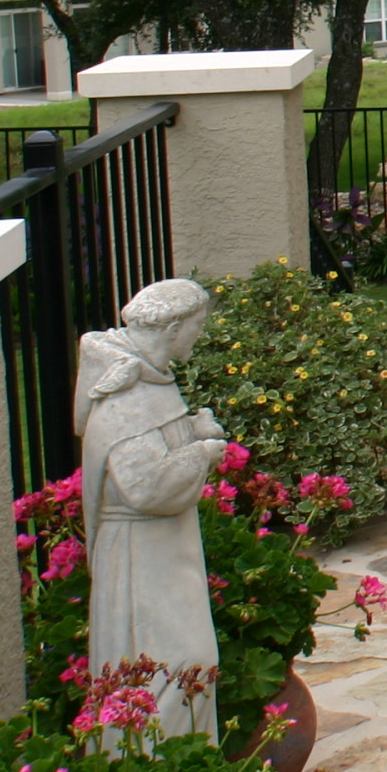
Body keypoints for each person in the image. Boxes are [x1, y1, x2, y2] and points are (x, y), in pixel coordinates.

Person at [74, 279, 229, 741]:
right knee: (174, 663)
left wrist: (189, 431)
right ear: (174, 326)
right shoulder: (127, 392)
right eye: (197, 326)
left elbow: (151, 447)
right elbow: (145, 486)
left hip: (162, 547)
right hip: (140, 554)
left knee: (187, 663)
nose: (198, 336)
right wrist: (202, 452)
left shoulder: (147, 378)